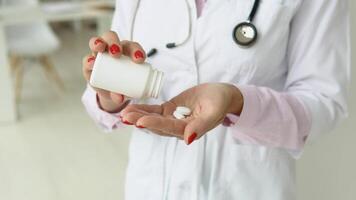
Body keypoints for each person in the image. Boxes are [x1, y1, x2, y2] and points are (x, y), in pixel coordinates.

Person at [81, 0, 350, 199]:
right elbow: (102, 107)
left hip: (248, 188)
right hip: (149, 187)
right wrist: (110, 96)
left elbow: (324, 103)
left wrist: (239, 102)